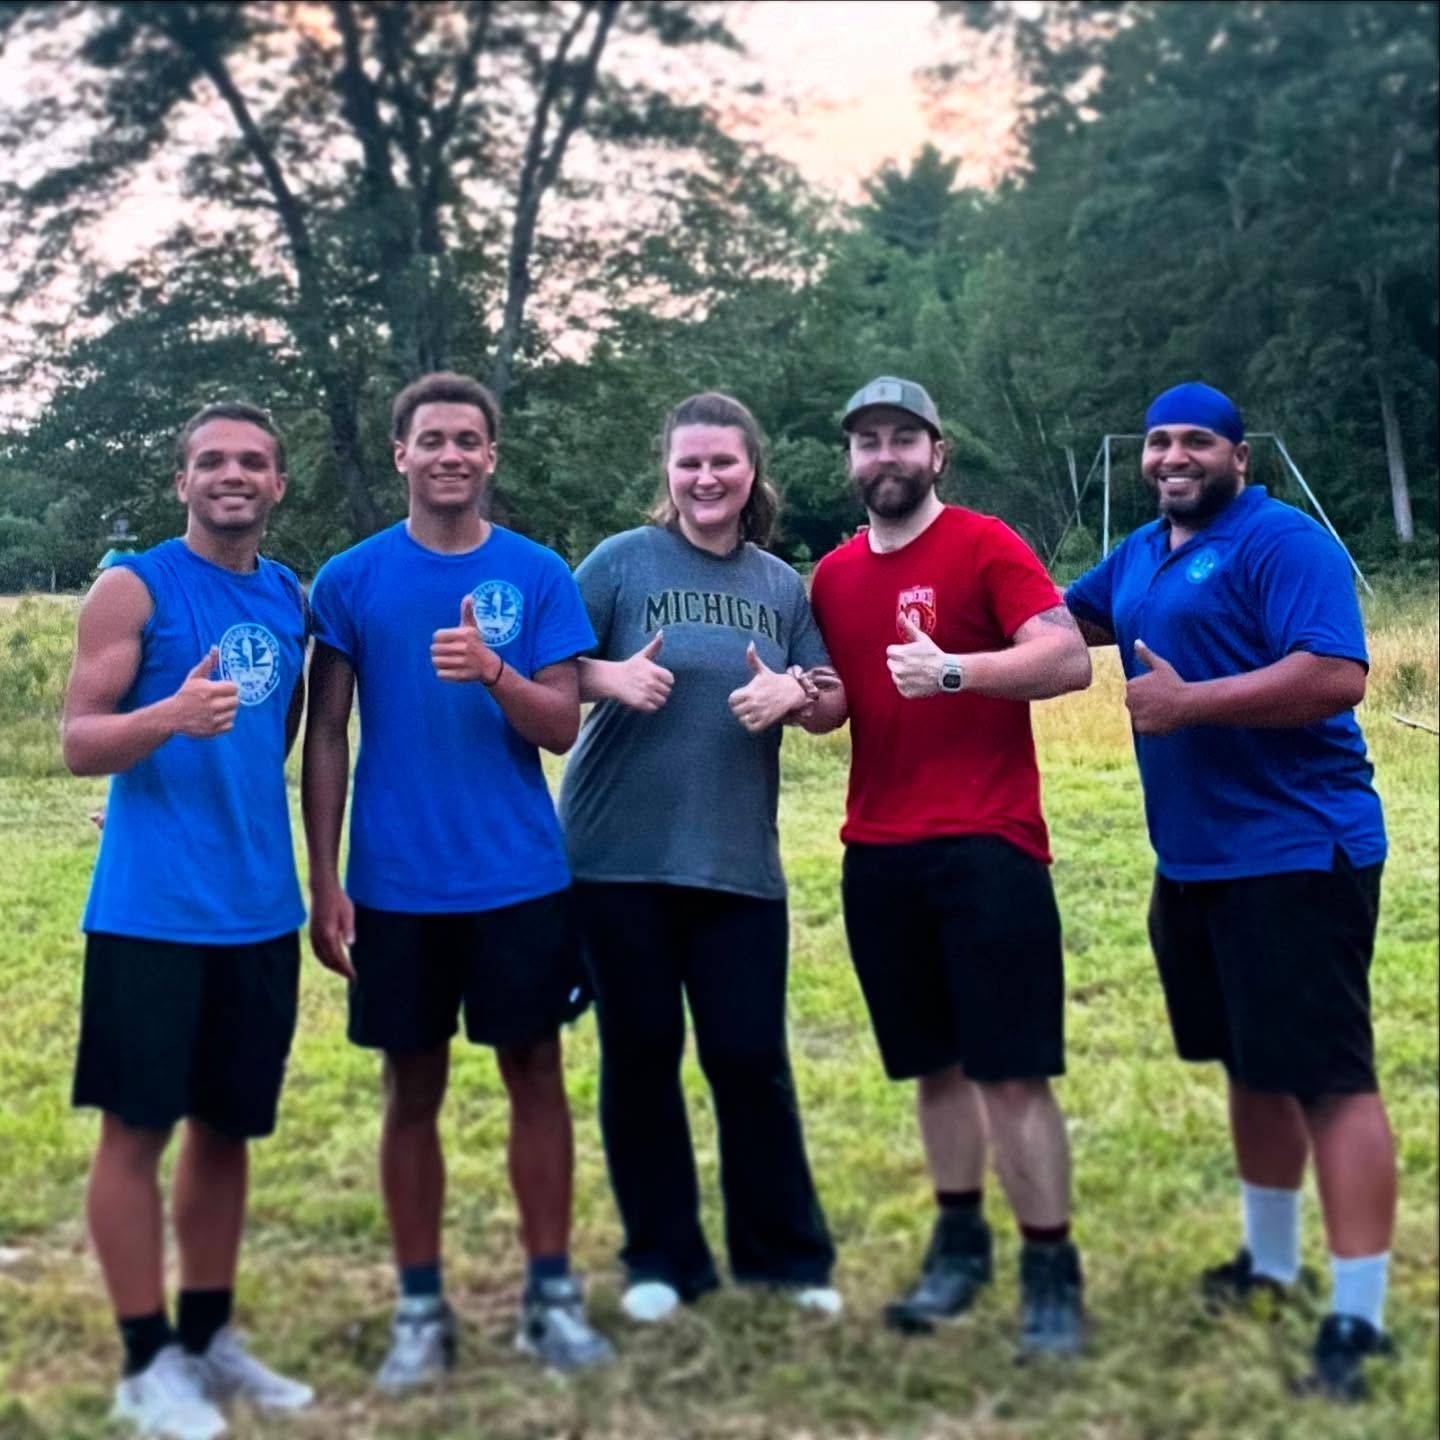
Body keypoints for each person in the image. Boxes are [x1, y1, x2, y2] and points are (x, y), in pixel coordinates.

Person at [1063, 382, 1396, 1402]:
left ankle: (1359, 1317)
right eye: (1159, 440)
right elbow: (1049, 624)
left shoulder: (1280, 541)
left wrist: (1188, 703)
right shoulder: (1140, 553)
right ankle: (1272, 1262)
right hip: (1197, 862)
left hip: (1298, 855)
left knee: (1329, 1080)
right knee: (1251, 1067)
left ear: (1238, 456)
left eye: (1195, 440)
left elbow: (1337, 675)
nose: (1172, 455)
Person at [302, 372, 611, 1386]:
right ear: (400, 454)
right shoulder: (349, 581)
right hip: (394, 887)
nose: (449, 454)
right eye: (430, 439)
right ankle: (420, 1309)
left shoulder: (538, 573)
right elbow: (329, 736)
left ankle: (551, 1297)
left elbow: (562, 726)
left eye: (467, 440)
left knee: (537, 1077)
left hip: (519, 876)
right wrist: (326, 876)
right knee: (411, 1090)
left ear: (490, 455)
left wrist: (492, 669)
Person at [809, 376, 1093, 1356]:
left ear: (937, 452)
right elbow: (842, 699)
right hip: (876, 852)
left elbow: (1066, 660)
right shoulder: (833, 577)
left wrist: (957, 670)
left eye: (902, 439)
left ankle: (1052, 1271)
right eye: (866, 443)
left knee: (1012, 1071)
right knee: (934, 1069)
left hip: (990, 844)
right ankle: (960, 1245)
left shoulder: (985, 544)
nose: (882, 457)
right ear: (850, 461)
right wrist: (803, 702)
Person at [557, 392, 844, 1324]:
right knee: (641, 1058)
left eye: (723, 462)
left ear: (751, 472)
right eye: (689, 464)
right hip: (616, 860)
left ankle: (786, 1259)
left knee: (749, 1058)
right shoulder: (620, 563)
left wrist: (797, 693)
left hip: (735, 863)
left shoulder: (780, 585)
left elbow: (834, 697)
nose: (706, 478)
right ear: (667, 474)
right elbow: (543, 672)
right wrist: (610, 676)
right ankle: (661, 1259)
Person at [62, 401, 314, 1440]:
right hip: (152, 915)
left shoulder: (291, 594)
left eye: (253, 461)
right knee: (137, 1133)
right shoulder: (135, 586)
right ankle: (141, 1362)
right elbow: (79, 741)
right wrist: (167, 715)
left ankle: (208, 1339)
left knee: (226, 1130)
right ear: (181, 481)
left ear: (278, 484)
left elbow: (279, 735)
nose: (233, 475)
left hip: (259, 912)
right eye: (212, 460)